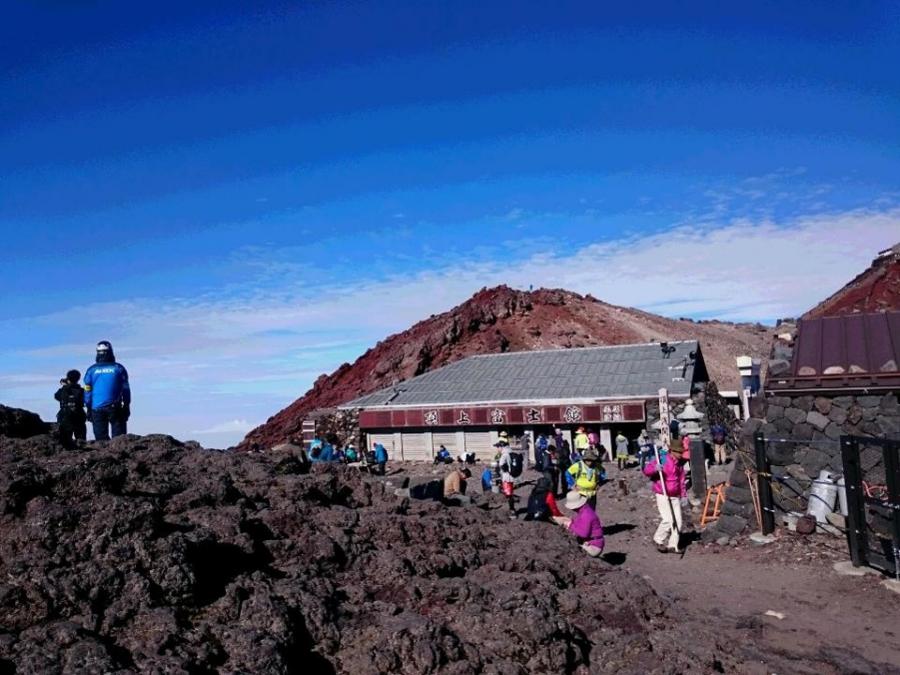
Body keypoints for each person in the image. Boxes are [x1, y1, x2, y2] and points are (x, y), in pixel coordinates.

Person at [643, 443, 688, 553]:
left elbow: (681, 481)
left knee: (678, 522)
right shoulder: (662, 459)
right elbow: (646, 470)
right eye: (679, 452)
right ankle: (658, 539)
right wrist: (655, 468)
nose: (681, 454)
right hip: (662, 493)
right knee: (668, 520)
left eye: (681, 452)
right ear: (672, 451)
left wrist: (683, 495)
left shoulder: (679, 464)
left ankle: (673, 545)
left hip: (675, 495)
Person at [84, 340, 131, 441]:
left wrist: (88, 407)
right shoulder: (118, 368)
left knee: (101, 441)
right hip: (115, 407)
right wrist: (126, 405)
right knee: (119, 440)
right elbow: (126, 389)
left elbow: (87, 391)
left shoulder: (91, 370)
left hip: (96, 408)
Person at [558, 490, 605, 557]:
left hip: (594, 547)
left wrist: (571, 525)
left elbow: (583, 534)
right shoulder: (584, 511)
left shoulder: (586, 515)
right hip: (592, 543)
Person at [54, 369, 87, 448]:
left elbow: (57, 396)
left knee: (65, 438)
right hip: (79, 414)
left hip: (65, 415)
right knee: (80, 436)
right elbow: (85, 399)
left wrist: (65, 386)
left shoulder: (63, 390)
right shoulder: (81, 391)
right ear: (78, 378)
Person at [498, 437, 524, 516]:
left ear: (502, 446)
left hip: (507, 477)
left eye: (498, 447)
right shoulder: (510, 452)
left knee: (508, 494)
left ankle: (512, 510)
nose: (498, 448)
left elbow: (502, 465)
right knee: (510, 493)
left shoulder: (504, 454)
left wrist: (503, 470)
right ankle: (512, 507)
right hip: (511, 476)